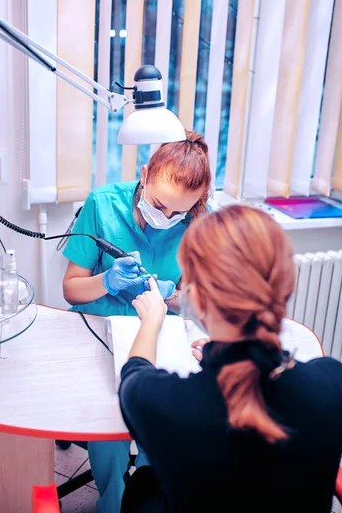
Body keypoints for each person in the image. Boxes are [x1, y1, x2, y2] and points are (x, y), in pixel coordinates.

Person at [119, 206, 342, 513]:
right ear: (284, 288)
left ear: (195, 299)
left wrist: (151, 320)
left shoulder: (161, 402)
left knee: (143, 484)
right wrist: (227, 353)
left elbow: (134, 372)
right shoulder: (332, 383)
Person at [62, 130, 212, 513]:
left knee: (160, 428)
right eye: (160, 205)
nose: (166, 218)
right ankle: (110, 503)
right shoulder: (102, 203)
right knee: (109, 432)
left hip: (157, 336)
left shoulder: (197, 222)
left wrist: (171, 295)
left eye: (178, 212)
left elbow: (194, 305)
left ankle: (147, 494)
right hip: (98, 334)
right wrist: (105, 280)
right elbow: (71, 290)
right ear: (145, 174)